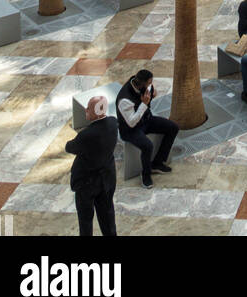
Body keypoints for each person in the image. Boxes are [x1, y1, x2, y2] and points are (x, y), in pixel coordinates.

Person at [64, 94, 118, 237]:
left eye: (88, 108)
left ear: (95, 112)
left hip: (87, 182)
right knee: (107, 214)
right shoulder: (113, 123)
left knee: (86, 219)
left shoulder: (86, 135)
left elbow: (70, 147)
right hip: (107, 178)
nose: (86, 110)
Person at [116, 70, 179, 190]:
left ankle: (157, 163)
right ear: (141, 84)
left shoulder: (142, 86)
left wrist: (151, 97)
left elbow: (147, 100)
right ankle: (146, 175)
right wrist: (144, 104)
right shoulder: (124, 100)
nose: (151, 85)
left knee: (173, 127)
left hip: (146, 120)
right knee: (147, 146)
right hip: (130, 130)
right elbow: (131, 122)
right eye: (149, 83)